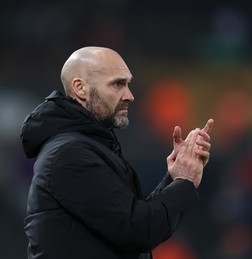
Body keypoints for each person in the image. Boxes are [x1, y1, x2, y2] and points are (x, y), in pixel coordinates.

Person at [20, 46, 214, 259]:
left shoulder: (88, 147)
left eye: (128, 84)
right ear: (80, 88)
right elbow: (138, 231)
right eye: (117, 84)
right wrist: (184, 182)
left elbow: (134, 218)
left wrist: (176, 179)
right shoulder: (69, 155)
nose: (129, 96)